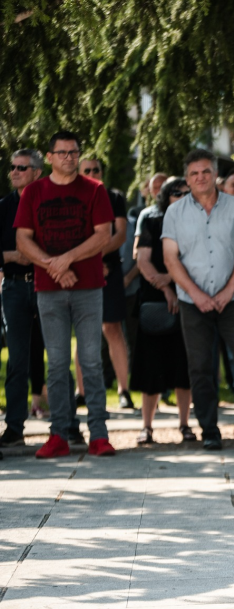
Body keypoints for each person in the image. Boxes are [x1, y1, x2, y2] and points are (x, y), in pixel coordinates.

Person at [162, 149, 234, 451]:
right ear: (187, 178)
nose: (200, 178)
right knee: (200, 367)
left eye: (206, 172)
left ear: (215, 175)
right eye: (194, 173)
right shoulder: (174, 213)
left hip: (232, 301)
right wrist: (197, 295)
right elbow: (171, 259)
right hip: (192, 303)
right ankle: (210, 430)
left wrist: (228, 291)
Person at [15, 131, 116, 458]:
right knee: (57, 364)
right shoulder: (33, 192)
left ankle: (98, 435)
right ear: (49, 156)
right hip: (49, 290)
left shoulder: (95, 190)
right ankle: (58, 434)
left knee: (90, 362)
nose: (69, 158)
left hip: (88, 288)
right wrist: (53, 266)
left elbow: (104, 236)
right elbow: (23, 240)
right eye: (62, 153)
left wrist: (65, 260)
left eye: (74, 152)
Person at [131, 178, 195, 444]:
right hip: (155, 300)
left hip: (190, 296)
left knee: (184, 367)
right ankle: (146, 427)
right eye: (175, 193)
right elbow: (142, 260)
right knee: (151, 367)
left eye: (186, 193)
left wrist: (174, 280)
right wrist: (166, 287)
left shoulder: (198, 222)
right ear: (165, 196)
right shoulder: (152, 220)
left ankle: (185, 424)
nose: (181, 197)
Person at [79, 158, 136, 410]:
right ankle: (81, 392)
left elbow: (120, 234)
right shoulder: (72, 197)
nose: (92, 173)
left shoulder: (114, 197)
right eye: (87, 170)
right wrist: (88, 261)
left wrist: (96, 257)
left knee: (113, 329)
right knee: (82, 332)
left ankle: (124, 390)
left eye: (96, 170)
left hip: (108, 270)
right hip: (79, 270)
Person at [0, 149, 48, 448]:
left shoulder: (48, 203)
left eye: (22, 167)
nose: (15, 172)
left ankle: (66, 426)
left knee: (56, 357)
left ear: (37, 173)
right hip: (15, 287)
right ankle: (14, 428)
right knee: (17, 360)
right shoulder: (3, 206)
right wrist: (13, 255)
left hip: (48, 285)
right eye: (13, 167)